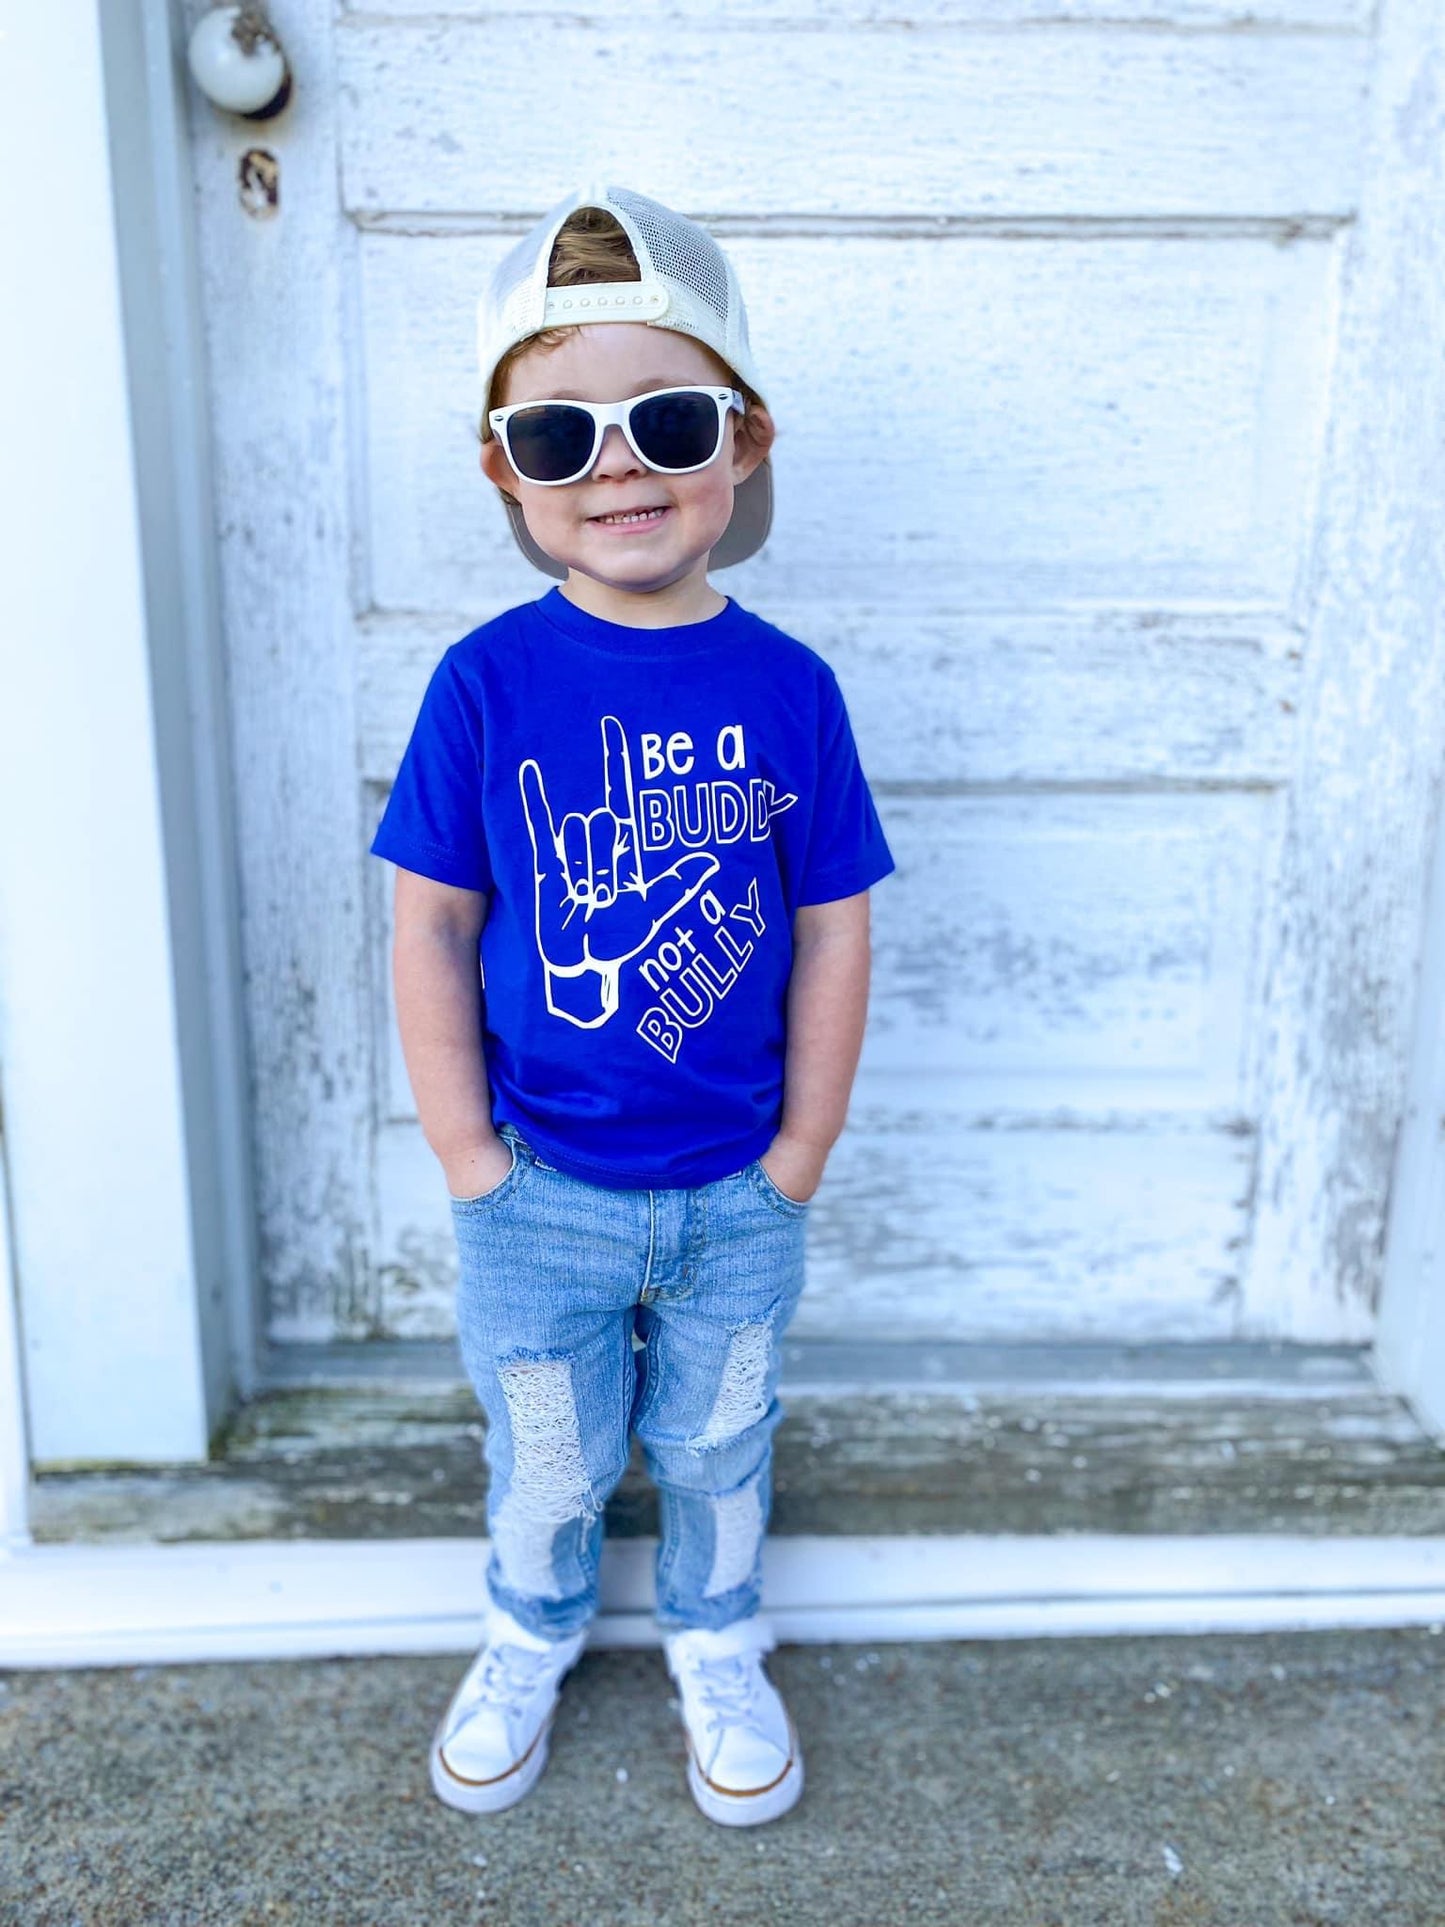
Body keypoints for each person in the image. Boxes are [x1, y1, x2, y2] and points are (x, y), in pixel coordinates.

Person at [369, 183, 896, 1829]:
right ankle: (527, 1632)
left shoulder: (790, 689)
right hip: (538, 1196)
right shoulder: (485, 683)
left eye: (666, 419)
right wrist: (468, 1161)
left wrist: (798, 1154)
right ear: (503, 471)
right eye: (558, 435)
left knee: (720, 1443)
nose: (616, 467)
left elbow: (832, 932)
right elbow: (430, 924)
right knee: (549, 1456)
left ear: (741, 441)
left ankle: (716, 1639)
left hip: (736, 1193)